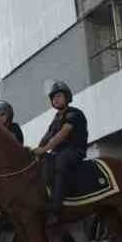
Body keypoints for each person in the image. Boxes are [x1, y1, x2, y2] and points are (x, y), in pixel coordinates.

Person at [34, 82, 89, 225]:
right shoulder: (56, 118)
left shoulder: (74, 113)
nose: (56, 100)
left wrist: (45, 149)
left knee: (60, 161)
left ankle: (56, 209)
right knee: (44, 163)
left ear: (67, 97)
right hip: (59, 152)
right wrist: (35, 152)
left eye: (59, 96)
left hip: (74, 150)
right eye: (53, 98)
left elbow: (62, 134)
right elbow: (46, 137)